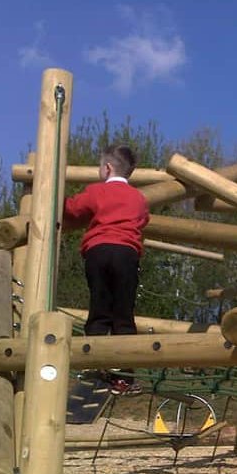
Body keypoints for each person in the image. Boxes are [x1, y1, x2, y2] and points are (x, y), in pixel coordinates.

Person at [63, 144, 149, 395]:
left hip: (98, 252)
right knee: (123, 313)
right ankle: (123, 377)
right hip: (126, 253)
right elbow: (144, 219)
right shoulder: (138, 198)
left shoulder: (96, 191)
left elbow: (72, 208)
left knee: (99, 309)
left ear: (107, 168)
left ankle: (94, 366)